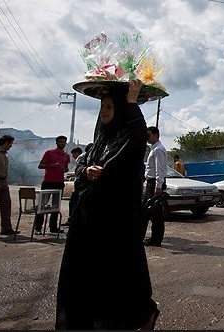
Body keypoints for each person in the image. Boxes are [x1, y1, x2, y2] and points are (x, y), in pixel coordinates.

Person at [56, 79, 160, 329]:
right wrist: (84, 172)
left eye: (111, 108)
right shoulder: (97, 143)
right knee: (84, 281)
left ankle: (142, 316)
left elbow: (136, 138)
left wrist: (132, 103)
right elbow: (81, 165)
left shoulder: (130, 142)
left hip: (115, 227)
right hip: (86, 228)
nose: (104, 112)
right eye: (102, 107)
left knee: (117, 280)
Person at [34, 135, 70, 234]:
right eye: (61, 142)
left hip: (59, 183)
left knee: (56, 206)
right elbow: (40, 165)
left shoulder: (66, 155)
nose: (62, 143)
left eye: (64, 142)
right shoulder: (49, 153)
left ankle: (53, 227)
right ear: (57, 143)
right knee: (43, 205)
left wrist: (65, 169)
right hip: (48, 182)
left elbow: (66, 167)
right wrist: (52, 166)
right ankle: (38, 227)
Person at [142, 126, 168, 247]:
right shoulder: (154, 149)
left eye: (148, 134)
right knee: (150, 211)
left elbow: (160, 170)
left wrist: (158, 186)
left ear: (154, 134)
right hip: (151, 182)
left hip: (155, 184)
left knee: (156, 213)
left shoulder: (158, 149)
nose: (146, 137)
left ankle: (155, 240)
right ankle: (153, 238)